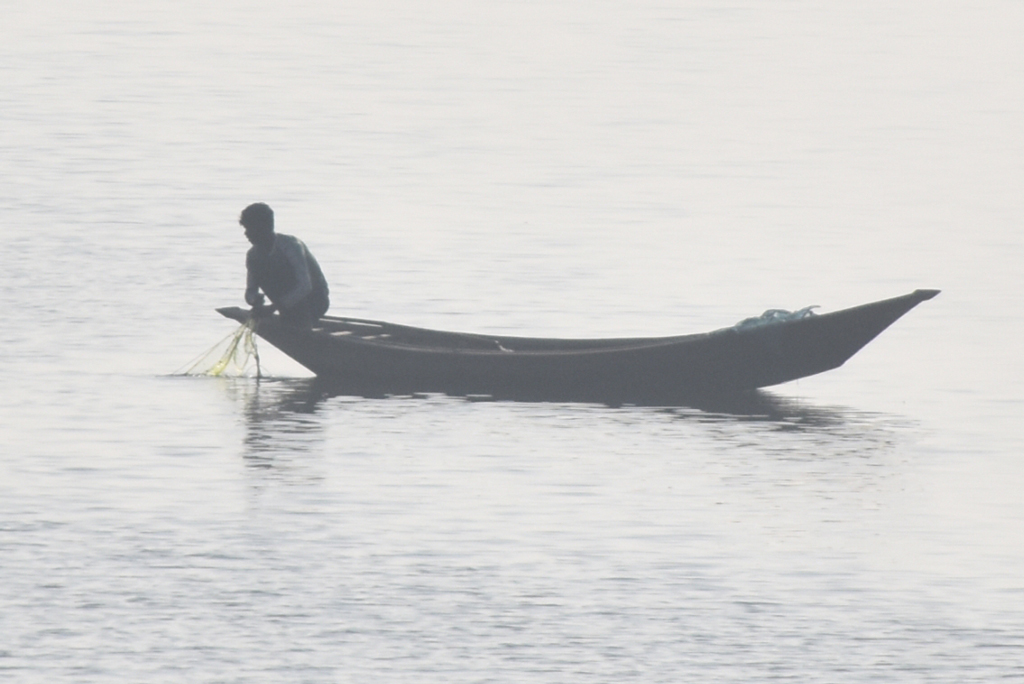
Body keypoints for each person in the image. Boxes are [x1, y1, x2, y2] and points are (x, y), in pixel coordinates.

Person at [239, 202, 330, 328]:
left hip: (315, 303)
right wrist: (255, 300)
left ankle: (300, 322)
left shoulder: (291, 246)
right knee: (259, 264)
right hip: (286, 307)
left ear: (263, 227)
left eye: (249, 229)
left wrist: (273, 308)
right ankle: (289, 316)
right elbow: (250, 291)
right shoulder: (253, 256)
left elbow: (305, 286)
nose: (246, 234)